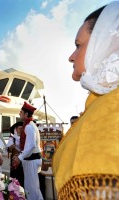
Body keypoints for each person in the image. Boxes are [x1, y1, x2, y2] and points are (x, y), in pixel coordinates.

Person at [53, 2, 119, 199]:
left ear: (104, 42)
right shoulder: (101, 103)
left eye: (78, 45)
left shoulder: (112, 107)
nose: (71, 57)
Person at [12, 102, 43, 200]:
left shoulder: (29, 127)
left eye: (21, 112)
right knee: (34, 189)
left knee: (31, 190)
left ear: (26, 114)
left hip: (31, 161)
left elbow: (30, 146)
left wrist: (19, 158)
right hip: (30, 160)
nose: (19, 114)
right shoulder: (29, 125)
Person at [6, 121, 24, 187]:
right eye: (19, 129)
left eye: (22, 129)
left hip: (23, 164)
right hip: (15, 164)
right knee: (14, 180)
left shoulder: (25, 138)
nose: (20, 130)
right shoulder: (12, 139)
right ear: (16, 130)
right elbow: (8, 150)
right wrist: (10, 147)